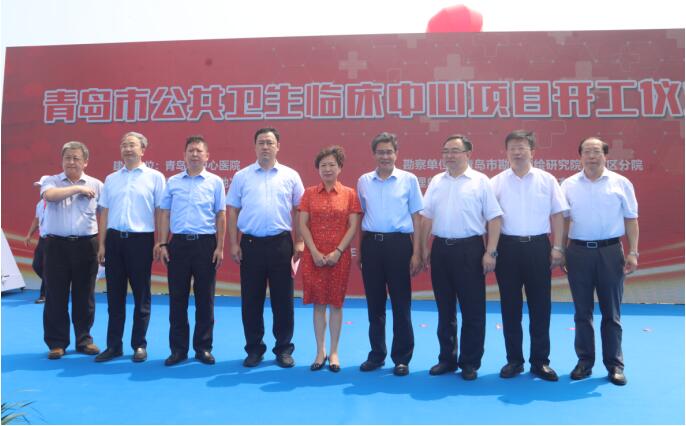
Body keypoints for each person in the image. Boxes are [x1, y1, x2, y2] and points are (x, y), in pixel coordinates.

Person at [419, 134, 502, 380]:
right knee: (445, 309)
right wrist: (423, 247)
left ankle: (470, 362)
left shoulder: (480, 181)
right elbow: (426, 217)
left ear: (468, 153)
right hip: (441, 249)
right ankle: (447, 359)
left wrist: (491, 251)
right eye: (446, 151)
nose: (450, 155)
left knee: (472, 309)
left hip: (470, 249)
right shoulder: (437, 181)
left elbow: (494, 218)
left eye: (455, 151)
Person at [490, 130, 568, 381]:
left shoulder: (547, 180)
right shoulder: (496, 182)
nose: (517, 152)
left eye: (522, 147)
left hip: (538, 247)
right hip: (507, 248)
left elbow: (558, 214)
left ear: (532, 151)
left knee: (540, 306)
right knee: (510, 306)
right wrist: (491, 250)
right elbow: (490, 219)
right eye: (512, 147)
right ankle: (514, 360)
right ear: (506, 152)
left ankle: (540, 361)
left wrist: (558, 247)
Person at [561, 137, 639, 386]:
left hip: (610, 252)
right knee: (582, 312)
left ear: (606, 155)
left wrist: (633, 252)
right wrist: (560, 249)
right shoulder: (569, 184)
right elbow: (564, 221)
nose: (592, 156)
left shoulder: (620, 183)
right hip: (578, 252)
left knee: (611, 312)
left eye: (596, 151)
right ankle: (584, 362)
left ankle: (615, 365)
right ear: (580, 156)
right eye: (587, 151)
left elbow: (631, 219)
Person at [227, 127, 305, 368]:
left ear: (278, 146)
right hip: (250, 244)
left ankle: (283, 349)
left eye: (270, 142)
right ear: (254, 146)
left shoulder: (290, 175)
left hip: (281, 244)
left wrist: (299, 240)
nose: (265, 147)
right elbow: (232, 210)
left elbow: (300, 210)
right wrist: (233, 242)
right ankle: (254, 349)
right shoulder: (242, 176)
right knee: (251, 300)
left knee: (283, 301)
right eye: (261, 142)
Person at [95, 132, 165, 363]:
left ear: (143, 150)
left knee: (141, 295)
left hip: (141, 241)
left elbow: (161, 212)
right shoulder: (111, 179)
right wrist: (102, 244)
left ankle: (139, 345)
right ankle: (113, 345)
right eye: (124, 145)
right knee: (114, 295)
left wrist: (160, 241)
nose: (127, 149)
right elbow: (104, 213)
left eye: (132, 145)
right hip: (114, 240)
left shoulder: (155, 177)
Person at [357, 132, 423, 377]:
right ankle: (377, 354)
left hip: (399, 246)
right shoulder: (364, 181)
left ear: (396, 154)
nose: (385, 156)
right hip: (372, 246)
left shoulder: (409, 179)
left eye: (389, 152)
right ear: (374, 154)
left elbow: (417, 217)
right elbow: (361, 217)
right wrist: (360, 251)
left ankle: (402, 358)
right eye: (380, 152)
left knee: (401, 304)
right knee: (375, 304)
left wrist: (417, 252)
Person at [157, 135, 226, 366]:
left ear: (207, 156)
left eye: (199, 151)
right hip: (178, 244)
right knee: (178, 299)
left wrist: (220, 247)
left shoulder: (215, 182)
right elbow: (165, 213)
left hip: (205, 244)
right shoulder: (173, 182)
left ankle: (203, 348)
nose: (194, 154)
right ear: (184, 156)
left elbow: (221, 215)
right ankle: (178, 349)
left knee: (205, 299)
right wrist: (163, 243)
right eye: (190, 151)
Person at [297, 146, 361, 372]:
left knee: (335, 304)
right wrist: (314, 252)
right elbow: (302, 224)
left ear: (340, 168)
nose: (327, 169)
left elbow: (353, 226)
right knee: (318, 304)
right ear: (318, 169)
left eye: (332, 164)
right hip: (313, 256)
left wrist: (338, 252)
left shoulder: (350, 194)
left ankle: (334, 352)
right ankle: (320, 351)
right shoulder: (309, 193)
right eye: (323, 165)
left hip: (338, 258)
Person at [40, 141, 103, 360]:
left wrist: (103, 245)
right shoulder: (51, 181)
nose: (71, 162)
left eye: (76, 158)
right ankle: (57, 343)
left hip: (87, 245)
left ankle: (84, 340)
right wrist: (77, 188)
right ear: (62, 160)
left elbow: (104, 215)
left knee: (84, 295)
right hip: (56, 245)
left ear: (86, 162)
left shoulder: (97, 184)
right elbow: (50, 196)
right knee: (55, 294)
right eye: (67, 158)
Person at [24, 176, 50, 304]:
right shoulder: (39, 204)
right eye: (40, 187)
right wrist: (29, 234)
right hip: (42, 239)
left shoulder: (56, 203)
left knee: (47, 268)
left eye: (42, 186)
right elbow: (36, 220)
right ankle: (55, 284)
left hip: (53, 240)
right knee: (36, 265)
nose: (40, 189)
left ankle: (44, 295)